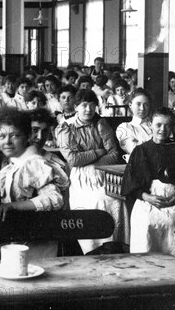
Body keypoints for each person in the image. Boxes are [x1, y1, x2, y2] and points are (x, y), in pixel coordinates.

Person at [0, 108, 69, 258]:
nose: (7, 142)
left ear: (26, 137)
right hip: (15, 240)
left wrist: (13, 206)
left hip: (37, 243)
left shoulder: (34, 163)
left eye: (15, 136)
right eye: (2, 136)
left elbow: (54, 199)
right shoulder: (11, 166)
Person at [56, 90, 125, 254]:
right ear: (76, 107)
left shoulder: (101, 124)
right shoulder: (66, 127)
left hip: (102, 173)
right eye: (84, 105)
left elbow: (114, 155)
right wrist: (99, 152)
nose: (88, 109)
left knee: (115, 202)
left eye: (92, 105)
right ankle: (93, 249)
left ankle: (113, 246)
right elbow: (73, 160)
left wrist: (92, 162)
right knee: (96, 202)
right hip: (80, 178)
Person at [121, 107, 175, 258]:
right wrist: (148, 197)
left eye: (167, 125)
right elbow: (131, 183)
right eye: (158, 125)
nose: (162, 129)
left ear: (172, 126)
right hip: (148, 202)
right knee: (146, 226)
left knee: (174, 227)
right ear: (150, 124)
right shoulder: (141, 150)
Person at [115, 88, 152, 157]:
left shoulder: (155, 125)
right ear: (130, 105)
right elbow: (135, 151)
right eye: (138, 104)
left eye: (146, 104)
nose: (142, 108)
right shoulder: (125, 128)